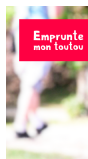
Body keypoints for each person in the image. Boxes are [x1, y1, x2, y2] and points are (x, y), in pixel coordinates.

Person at [12, 6, 63, 138]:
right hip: (39, 27)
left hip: (20, 28)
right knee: (32, 82)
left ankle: (36, 122)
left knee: (31, 81)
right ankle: (20, 126)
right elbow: (55, 11)